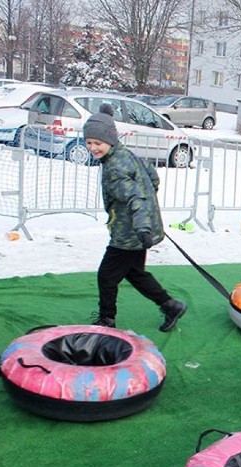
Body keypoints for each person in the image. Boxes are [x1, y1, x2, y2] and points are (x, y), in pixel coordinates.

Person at [83, 104, 188, 332]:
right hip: (140, 227)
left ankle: (107, 320)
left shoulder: (114, 168)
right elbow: (150, 173)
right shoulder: (125, 153)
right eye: (89, 142)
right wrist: (150, 200)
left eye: (97, 143)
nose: (93, 148)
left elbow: (134, 197)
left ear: (110, 140)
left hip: (129, 232)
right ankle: (170, 305)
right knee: (135, 273)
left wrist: (142, 227)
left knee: (107, 276)